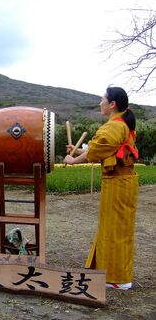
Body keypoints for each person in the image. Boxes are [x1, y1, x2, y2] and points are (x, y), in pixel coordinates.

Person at [64, 87, 138, 290]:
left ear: (112, 104)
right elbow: (103, 150)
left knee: (116, 230)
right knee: (113, 228)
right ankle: (113, 274)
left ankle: (118, 279)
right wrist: (79, 151)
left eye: (102, 99)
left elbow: (93, 153)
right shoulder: (121, 125)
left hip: (119, 184)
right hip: (121, 183)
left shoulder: (114, 127)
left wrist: (73, 160)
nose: (100, 103)